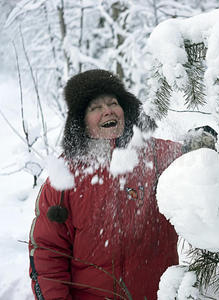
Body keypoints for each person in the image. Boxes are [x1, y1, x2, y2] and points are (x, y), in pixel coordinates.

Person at [28, 69, 186, 300]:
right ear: (81, 121)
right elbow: (47, 254)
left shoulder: (154, 155)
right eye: (96, 108)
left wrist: (204, 142)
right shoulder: (64, 177)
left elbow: (196, 160)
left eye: (113, 103)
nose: (108, 111)